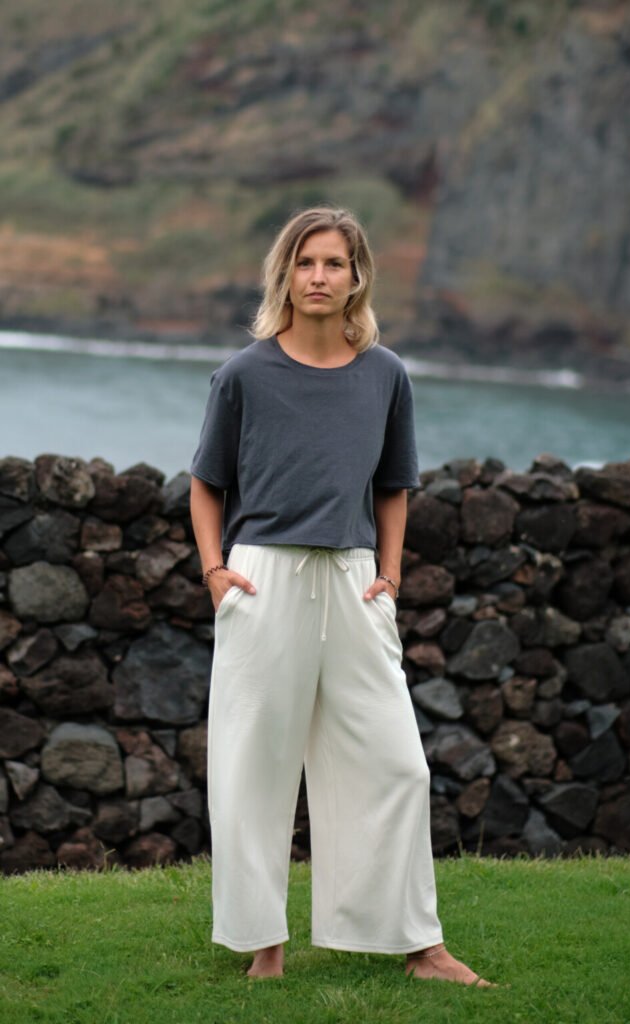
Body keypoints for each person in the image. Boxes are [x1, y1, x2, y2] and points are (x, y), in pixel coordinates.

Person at [189, 206, 494, 985]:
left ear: (357, 276)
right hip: (264, 580)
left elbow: (394, 485)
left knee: (397, 764)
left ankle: (418, 945)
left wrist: (388, 575)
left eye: (333, 263)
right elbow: (205, 482)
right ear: (284, 274)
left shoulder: (384, 374)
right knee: (253, 767)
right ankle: (265, 944)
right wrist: (216, 572)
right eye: (305, 263)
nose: (318, 277)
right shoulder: (245, 374)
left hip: (355, 582)